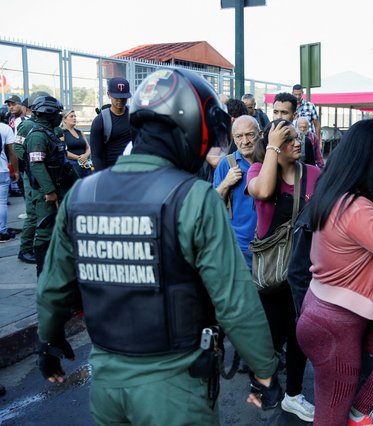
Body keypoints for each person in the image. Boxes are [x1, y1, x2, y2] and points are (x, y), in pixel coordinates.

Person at [36, 68, 282, 425]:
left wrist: (47, 342)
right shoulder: (194, 198)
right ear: (190, 129)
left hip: (106, 382)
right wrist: (265, 371)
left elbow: (54, 285)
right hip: (175, 387)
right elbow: (235, 300)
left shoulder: (82, 194)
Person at [296, 119, 373, 426]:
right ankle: (354, 414)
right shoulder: (356, 207)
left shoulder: (335, 194)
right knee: (329, 420)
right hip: (335, 327)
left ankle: (357, 413)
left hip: (329, 317)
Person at [247, 118, 322, 422]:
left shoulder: (315, 173)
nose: (297, 142)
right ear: (274, 146)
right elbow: (263, 192)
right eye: (288, 138)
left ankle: (293, 395)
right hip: (271, 274)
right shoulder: (258, 171)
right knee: (269, 338)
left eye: (297, 136)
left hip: (305, 272)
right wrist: (272, 149)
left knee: (299, 334)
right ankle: (263, 387)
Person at [23, 95, 77, 275]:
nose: (59, 117)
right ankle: (43, 273)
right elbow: (36, 166)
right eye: (57, 114)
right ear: (48, 114)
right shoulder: (38, 136)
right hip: (47, 194)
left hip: (58, 189)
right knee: (45, 231)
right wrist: (50, 191)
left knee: (58, 229)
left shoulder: (50, 134)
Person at [214, 115, 259, 270]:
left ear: (259, 135)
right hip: (238, 245)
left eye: (250, 135)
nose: (245, 141)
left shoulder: (270, 162)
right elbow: (213, 206)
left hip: (268, 244)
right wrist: (226, 183)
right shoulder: (226, 164)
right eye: (239, 136)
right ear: (233, 138)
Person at [13, 91, 50, 264]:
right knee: (33, 213)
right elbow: (17, 146)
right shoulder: (27, 126)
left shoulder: (45, 124)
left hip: (42, 174)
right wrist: (31, 161)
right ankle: (25, 249)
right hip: (31, 176)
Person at [89, 77, 132, 171]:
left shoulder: (134, 115)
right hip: (111, 171)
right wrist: (103, 177)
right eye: (116, 97)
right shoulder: (100, 121)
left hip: (133, 170)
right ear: (108, 94)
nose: (120, 100)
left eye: (123, 97)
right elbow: (96, 155)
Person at [273, 92, 316, 166]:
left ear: (295, 115)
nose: (279, 117)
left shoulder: (305, 143)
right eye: (276, 112)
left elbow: (311, 172)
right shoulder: (265, 140)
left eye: (284, 113)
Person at [61, 110, 92, 177]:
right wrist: (79, 158)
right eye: (71, 116)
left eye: (75, 116)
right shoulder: (62, 133)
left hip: (85, 164)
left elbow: (88, 147)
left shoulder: (80, 132)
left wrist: (85, 156)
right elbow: (63, 151)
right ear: (64, 119)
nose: (74, 118)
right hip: (72, 165)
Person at [1, 121, 17, 242]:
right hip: (2, 170)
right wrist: (16, 171)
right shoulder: (5, 128)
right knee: (1, 203)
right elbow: (12, 151)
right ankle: (2, 232)